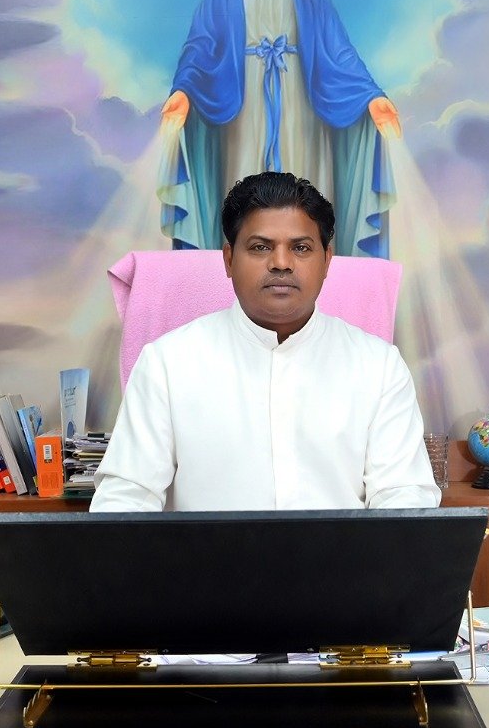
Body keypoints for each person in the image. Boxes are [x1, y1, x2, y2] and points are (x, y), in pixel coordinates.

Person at [92, 171, 439, 512]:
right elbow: (125, 501)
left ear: (327, 261)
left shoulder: (378, 366)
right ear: (229, 260)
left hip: (342, 553)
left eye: (301, 248)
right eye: (260, 247)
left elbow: (404, 500)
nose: (281, 263)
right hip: (206, 553)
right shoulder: (167, 364)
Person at [157, 0, 400, 258]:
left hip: (301, 107)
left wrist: (372, 96)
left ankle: (307, 263)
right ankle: (245, 265)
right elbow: (199, 50)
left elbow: (339, 51)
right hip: (244, 108)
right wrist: (183, 92)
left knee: (306, 186)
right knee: (243, 187)